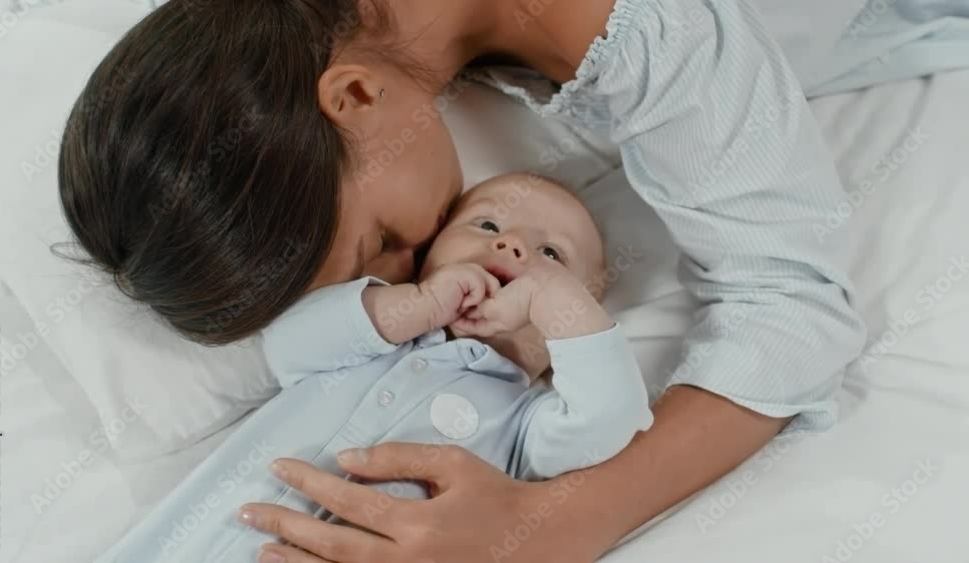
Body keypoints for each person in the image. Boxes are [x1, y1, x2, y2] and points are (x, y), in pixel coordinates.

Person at [58, 0, 913, 561]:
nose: (413, 265)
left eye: (380, 243)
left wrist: (550, 528)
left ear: (354, 95)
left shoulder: (649, 36)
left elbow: (793, 313)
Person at [94, 173, 654, 563]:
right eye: (487, 225)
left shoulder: (527, 424)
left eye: (553, 256)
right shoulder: (372, 338)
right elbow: (286, 344)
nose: (512, 246)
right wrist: (420, 305)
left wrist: (553, 297)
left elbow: (611, 418)